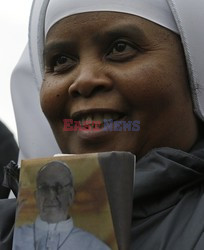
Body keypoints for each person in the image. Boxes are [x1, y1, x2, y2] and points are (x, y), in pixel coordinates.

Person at [8, 0, 204, 249]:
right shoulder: (10, 233)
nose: (84, 80)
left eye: (120, 48)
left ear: (193, 66)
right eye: (61, 60)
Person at [13, 161, 110, 250]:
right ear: (36, 196)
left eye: (58, 187)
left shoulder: (94, 246)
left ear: (71, 195)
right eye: (44, 188)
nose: (51, 196)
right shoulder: (14, 238)